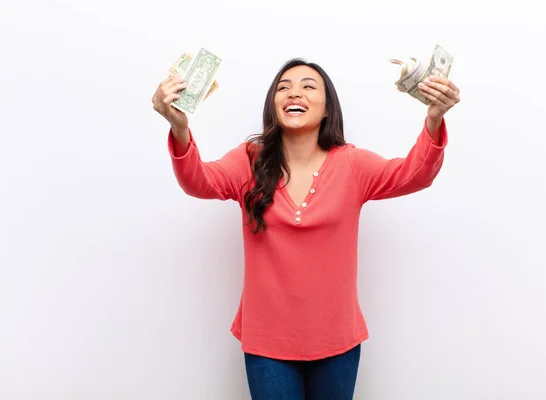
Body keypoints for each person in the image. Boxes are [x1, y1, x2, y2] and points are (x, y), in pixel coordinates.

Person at [151, 58, 460, 399]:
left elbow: (415, 174)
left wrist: (434, 118)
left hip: (338, 342)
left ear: (328, 108)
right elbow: (199, 181)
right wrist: (180, 128)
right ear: (274, 104)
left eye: (308, 86)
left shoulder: (352, 164)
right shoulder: (249, 161)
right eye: (283, 87)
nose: (293, 92)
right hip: (268, 344)